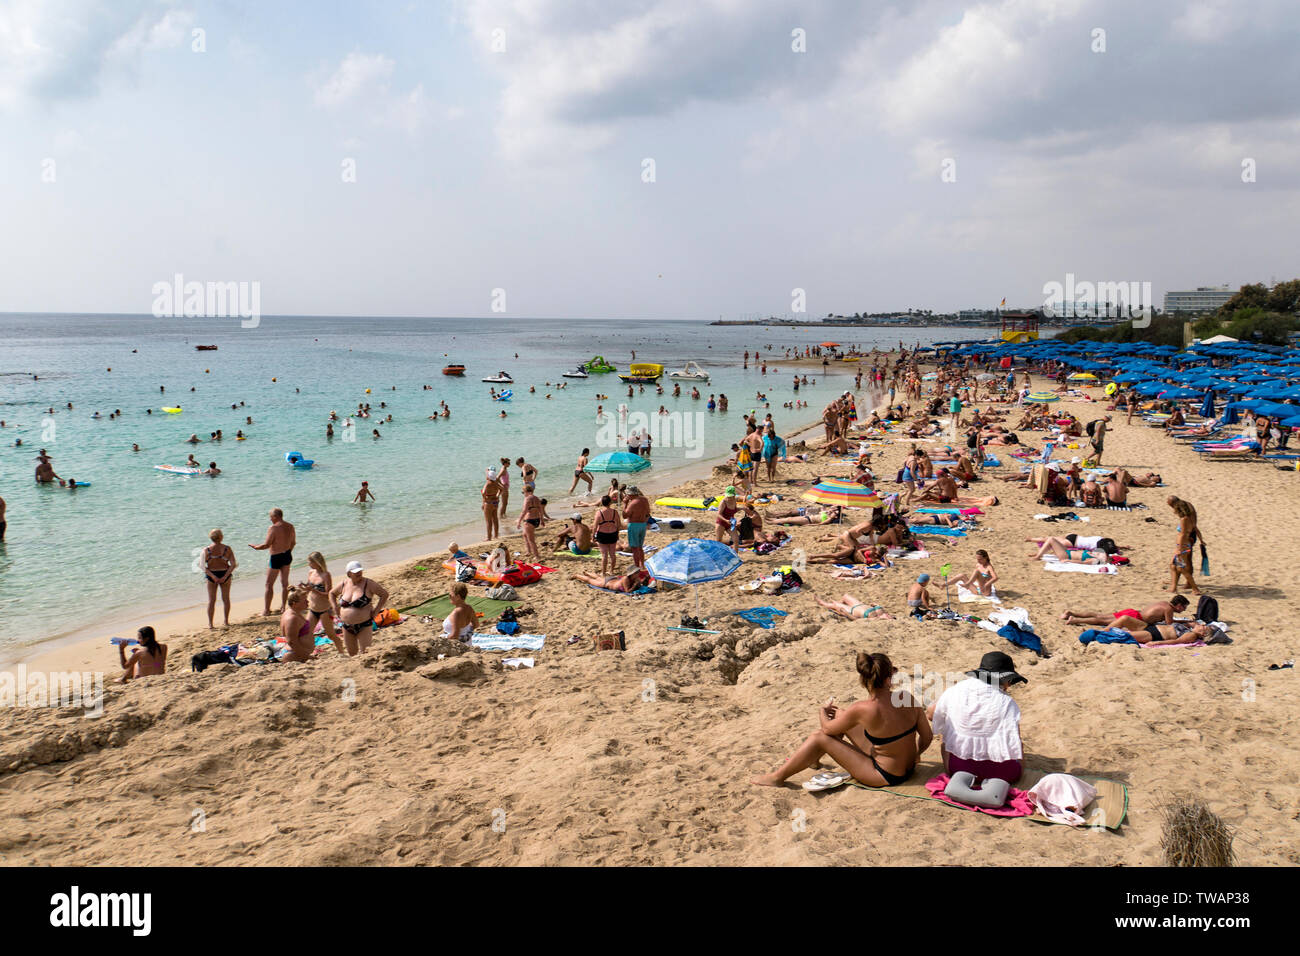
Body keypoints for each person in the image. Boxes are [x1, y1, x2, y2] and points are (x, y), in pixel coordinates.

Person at [752, 652, 931, 788]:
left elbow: (828, 730)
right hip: (908, 768)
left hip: (884, 775)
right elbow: (927, 737)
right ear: (888, 678)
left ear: (864, 679)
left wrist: (822, 712)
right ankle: (812, 759)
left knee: (819, 737)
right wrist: (916, 753)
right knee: (841, 715)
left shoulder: (862, 708)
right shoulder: (906, 698)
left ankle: (777, 777)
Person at [927, 651, 1025, 784]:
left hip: (958, 769)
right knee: (1018, 743)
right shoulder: (1008, 703)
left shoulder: (955, 690)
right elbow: (1015, 740)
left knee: (946, 735)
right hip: (1004, 775)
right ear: (1005, 680)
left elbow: (931, 713)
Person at [331, 561, 389, 656]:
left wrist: (376, 611)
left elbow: (384, 594)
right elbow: (332, 593)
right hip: (346, 626)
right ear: (349, 573)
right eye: (355, 572)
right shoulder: (343, 584)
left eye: (360, 571)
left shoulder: (368, 584)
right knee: (352, 654)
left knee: (365, 653)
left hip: (364, 625)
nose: (359, 573)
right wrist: (335, 607)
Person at [248, 508, 296, 615]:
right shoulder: (290, 526)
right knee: (284, 583)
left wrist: (256, 547)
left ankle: (266, 610)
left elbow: (267, 545)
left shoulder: (273, 528)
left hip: (276, 558)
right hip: (287, 555)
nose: (270, 519)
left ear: (275, 516)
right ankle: (284, 607)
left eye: (271, 517)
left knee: (269, 584)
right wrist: (287, 552)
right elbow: (293, 542)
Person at [301, 551, 342, 654]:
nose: (309, 564)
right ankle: (310, 652)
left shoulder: (326, 575)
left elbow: (329, 593)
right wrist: (303, 588)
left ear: (317, 562)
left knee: (331, 635)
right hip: (313, 608)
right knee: (307, 632)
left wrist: (313, 590)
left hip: (325, 610)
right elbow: (308, 589)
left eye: (310, 562)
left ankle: (341, 651)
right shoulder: (310, 572)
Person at [1062, 595, 1189, 627]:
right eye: (1184, 607)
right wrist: (1187, 622)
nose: (1184, 610)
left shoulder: (1164, 603)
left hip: (1133, 612)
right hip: (1135, 618)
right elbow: (1169, 623)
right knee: (1102, 621)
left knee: (1100, 615)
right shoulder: (1168, 609)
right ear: (1178, 605)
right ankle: (1075, 620)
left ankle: (1071, 613)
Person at [1168, 497, 1205, 595]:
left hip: (1183, 546)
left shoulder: (1184, 520)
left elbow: (1183, 534)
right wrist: (1201, 540)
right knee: (1173, 565)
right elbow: (1196, 530)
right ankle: (1173, 588)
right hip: (1185, 545)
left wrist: (1179, 548)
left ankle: (1195, 589)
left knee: (1181, 568)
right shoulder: (1189, 519)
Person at [202, 528, 237, 628]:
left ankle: (210, 624)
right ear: (221, 537)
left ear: (211, 538)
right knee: (226, 599)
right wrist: (225, 576)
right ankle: (226, 621)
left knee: (211, 600)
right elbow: (233, 564)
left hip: (211, 575)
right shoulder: (227, 549)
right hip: (224, 574)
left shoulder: (206, 550)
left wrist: (213, 576)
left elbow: (203, 566)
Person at [280, 587, 316, 663]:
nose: (307, 602)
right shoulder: (292, 618)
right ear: (294, 604)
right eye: (304, 601)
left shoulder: (294, 613)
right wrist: (307, 656)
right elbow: (291, 642)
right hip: (295, 656)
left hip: (298, 654)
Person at [592, 495, 622, 574]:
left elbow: (595, 527)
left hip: (602, 534)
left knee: (604, 555)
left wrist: (593, 536)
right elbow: (619, 524)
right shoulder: (614, 512)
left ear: (602, 503)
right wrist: (617, 532)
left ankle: (603, 572)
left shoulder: (599, 513)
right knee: (612, 554)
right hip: (613, 533)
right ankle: (611, 571)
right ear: (610, 502)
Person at [623, 486, 650, 570]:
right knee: (640, 547)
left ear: (631, 494)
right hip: (642, 524)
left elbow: (624, 515)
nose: (627, 496)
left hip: (634, 525)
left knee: (634, 548)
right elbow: (648, 513)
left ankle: (637, 566)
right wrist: (645, 521)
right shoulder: (644, 500)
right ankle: (642, 564)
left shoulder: (632, 503)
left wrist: (625, 504)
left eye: (627, 494)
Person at [517, 483, 545, 562]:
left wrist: (519, 521)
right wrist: (542, 520)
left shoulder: (527, 499)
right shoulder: (536, 498)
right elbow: (541, 510)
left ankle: (537, 556)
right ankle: (528, 551)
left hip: (529, 520)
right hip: (536, 520)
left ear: (526, 491)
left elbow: (524, 511)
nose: (523, 494)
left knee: (531, 540)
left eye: (523, 493)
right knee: (524, 534)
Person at [570, 566, 651, 593]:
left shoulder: (635, 578)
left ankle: (588, 573)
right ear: (632, 574)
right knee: (590, 580)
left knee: (598, 577)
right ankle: (577, 575)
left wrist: (644, 580)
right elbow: (627, 591)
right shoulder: (625, 579)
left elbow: (641, 585)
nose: (638, 574)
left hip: (613, 580)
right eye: (637, 573)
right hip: (607, 584)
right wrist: (634, 585)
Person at [815, 595, 894, 620]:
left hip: (853, 610)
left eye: (890, 618)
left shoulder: (875, 619)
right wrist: (877, 605)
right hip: (859, 604)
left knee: (835, 605)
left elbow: (856, 620)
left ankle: (823, 603)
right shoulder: (884, 614)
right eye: (890, 616)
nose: (889, 616)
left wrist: (845, 613)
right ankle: (838, 602)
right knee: (845, 596)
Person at [481, 467, 502, 540]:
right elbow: (501, 489)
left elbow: (483, 492)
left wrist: (484, 499)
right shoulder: (496, 483)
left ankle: (489, 537)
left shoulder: (488, 483)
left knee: (488, 521)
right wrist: (497, 495)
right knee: (495, 519)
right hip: (495, 502)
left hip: (488, 502)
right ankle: (496, 535)